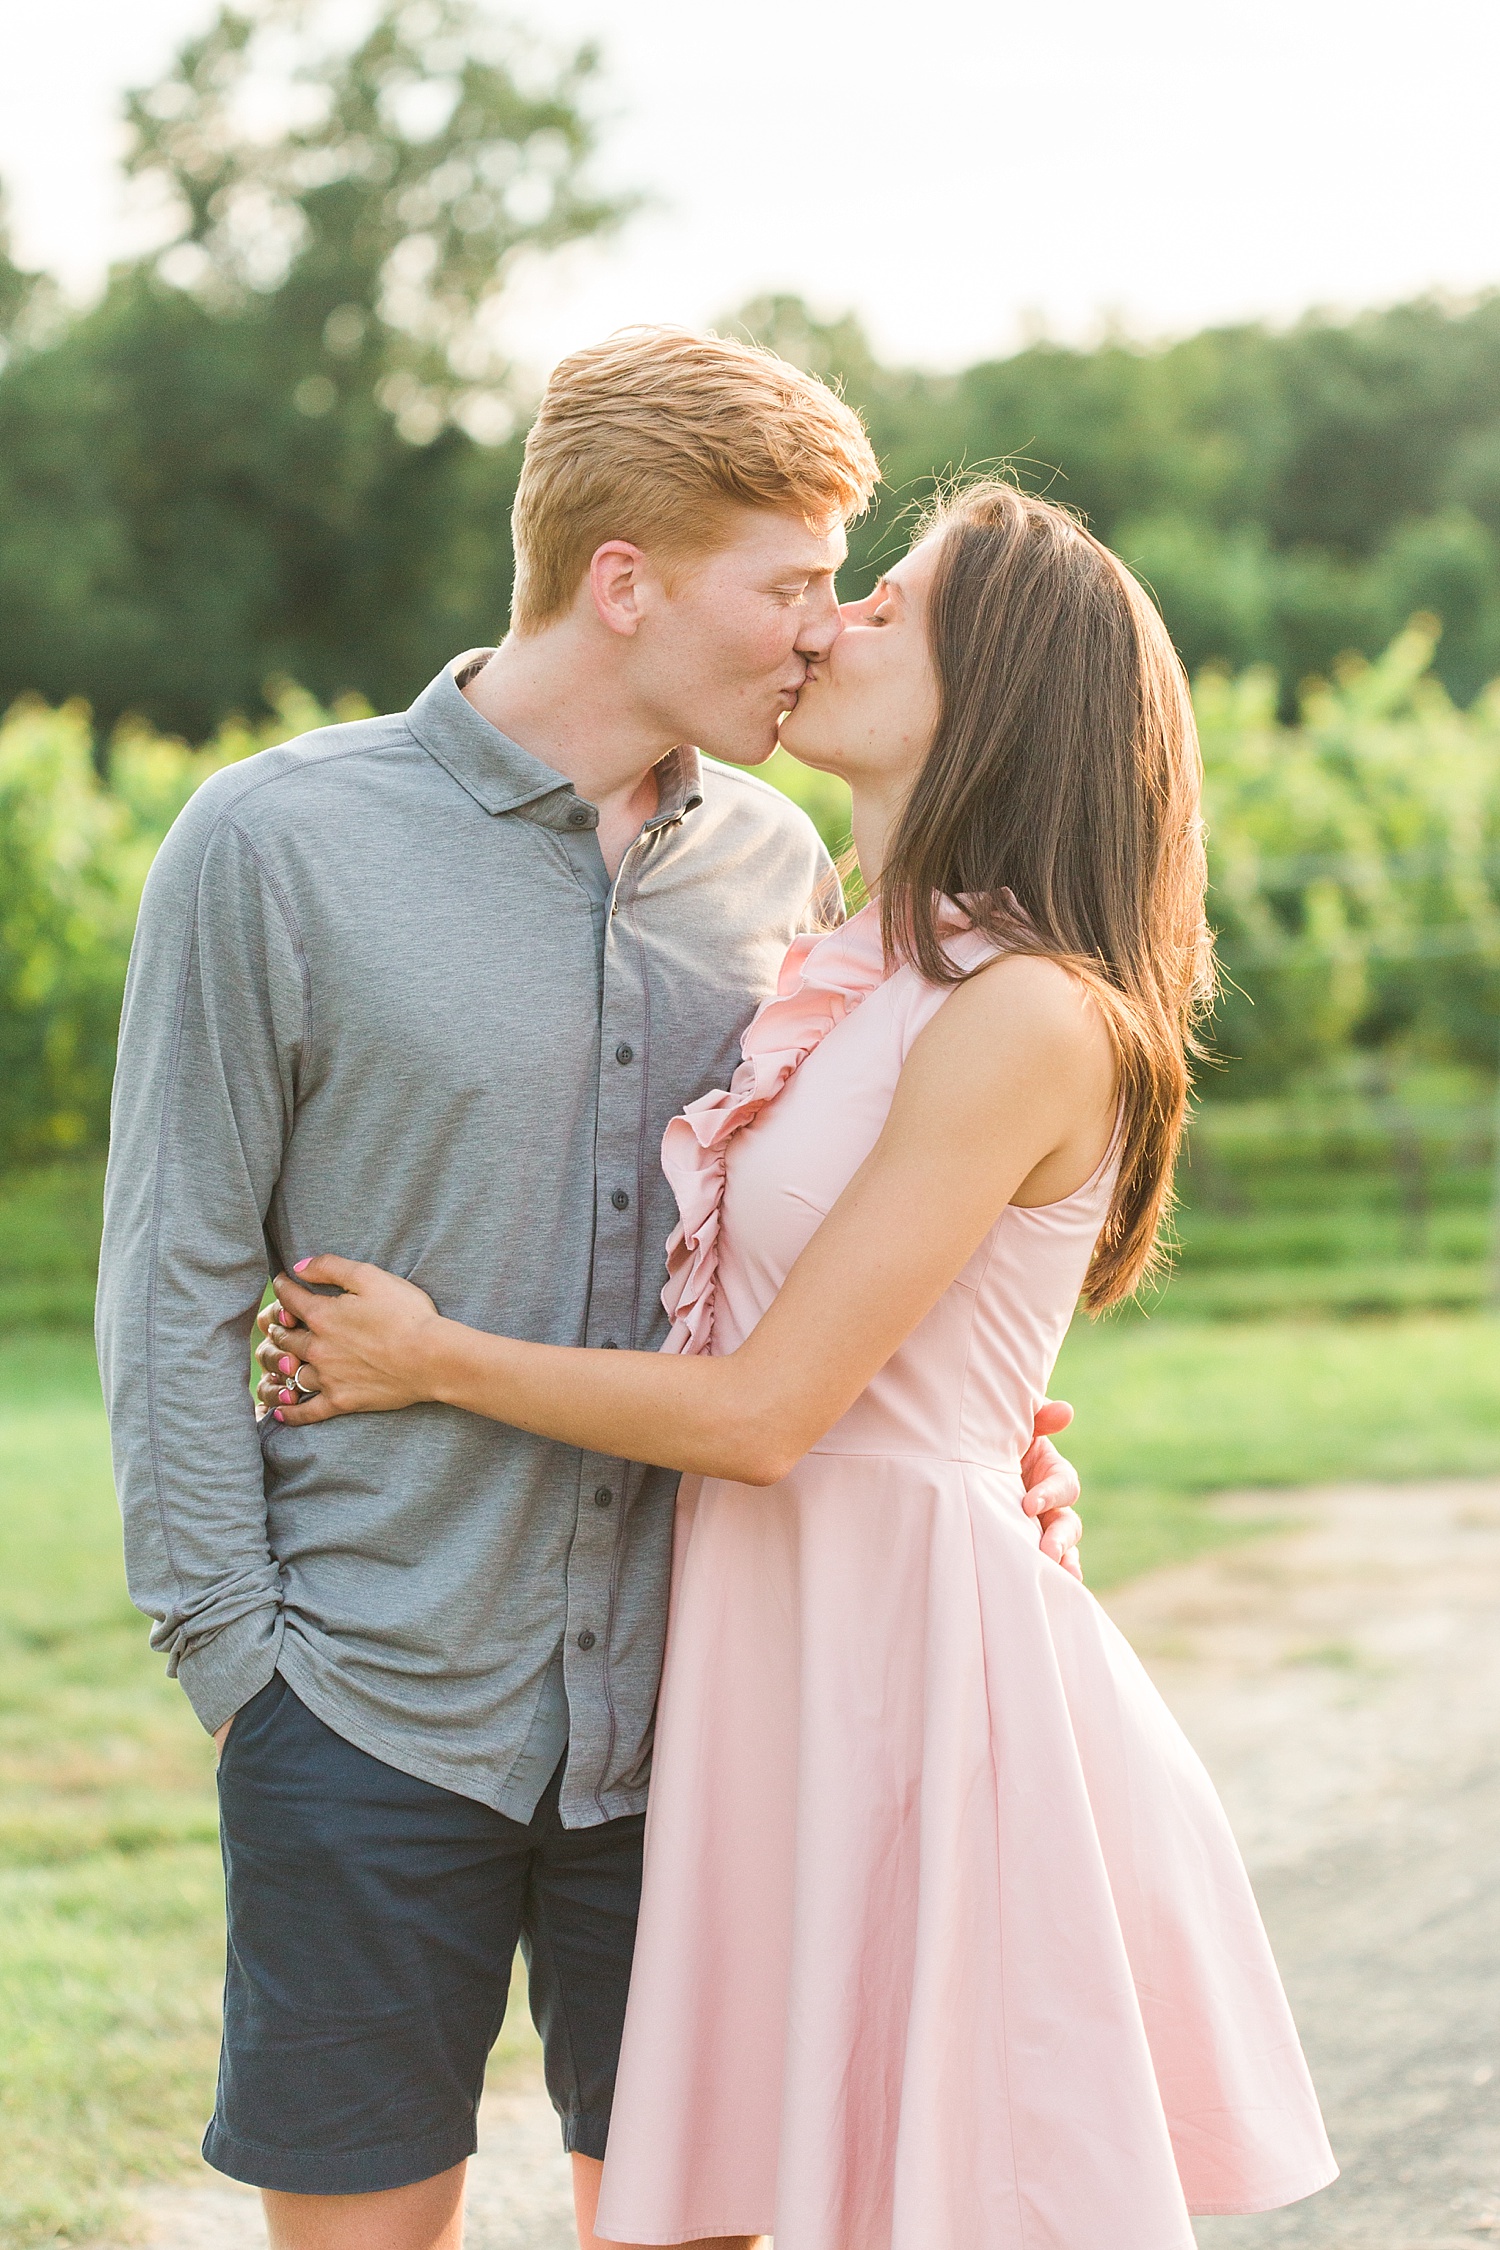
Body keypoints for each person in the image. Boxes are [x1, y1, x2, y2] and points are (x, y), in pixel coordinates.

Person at [257, 479, 1339, 2249]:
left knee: (924, 2185)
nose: (829, 623)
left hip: (906, 1660)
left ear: (995, 688)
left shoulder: (1027, 1012)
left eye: (888, 602)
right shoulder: (849, 954)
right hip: (779, 1639)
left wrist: (435, 1357)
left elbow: (766, 1413)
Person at [95, 333, 1084, 2250]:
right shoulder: (273, 844)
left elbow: (850, 1218)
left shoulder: (782, 859)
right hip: (366, 1697)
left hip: (701, 1712)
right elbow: (172, 1275)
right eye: (791, 583)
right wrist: (241, 1673)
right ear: (623, 579)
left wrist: (993, 1435)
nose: (819, 632)